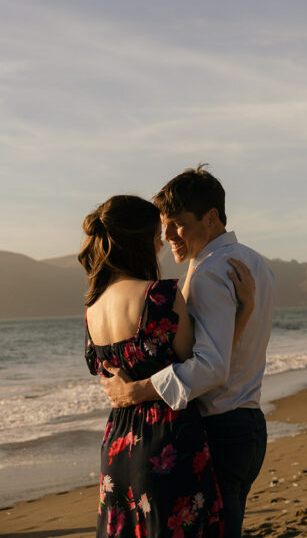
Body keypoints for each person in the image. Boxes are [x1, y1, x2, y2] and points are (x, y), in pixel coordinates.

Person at [101, 167, 275, 538]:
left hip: (219, 427)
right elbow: (234, 349)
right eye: (163, 226)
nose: (166, 237)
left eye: (176, 224)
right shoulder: (255, 262)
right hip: (247, 422)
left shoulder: (210, 272)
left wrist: (137, 390)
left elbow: (211, 367)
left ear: (211, 218)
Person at [80, 194, 228, 538]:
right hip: (168, 442)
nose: (162, 242)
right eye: (155, 235)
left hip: (117, 444)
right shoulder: (159, 296)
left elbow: (103, 372)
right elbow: (200, 365)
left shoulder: (92, 308)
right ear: (139, 241)